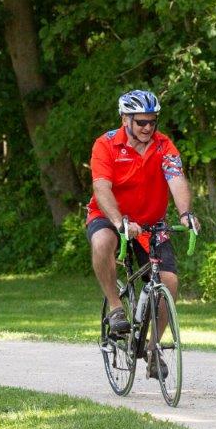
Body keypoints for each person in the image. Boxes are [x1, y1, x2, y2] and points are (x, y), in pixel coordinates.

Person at [86, 89, 200, 372]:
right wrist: (119, 220)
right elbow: (102, 188)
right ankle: (115, 307)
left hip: (150, 223)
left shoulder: (164, 146)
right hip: (111, 216)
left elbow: (176, 179)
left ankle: (153, 347)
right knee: (102, 242)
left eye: (152, 121)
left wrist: (185, 213)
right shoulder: (106, 144)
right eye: (141, 122)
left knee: (169, 282)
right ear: (125, 119)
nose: (148, 128)